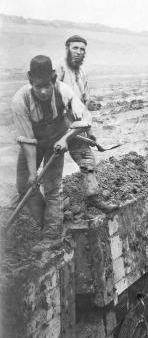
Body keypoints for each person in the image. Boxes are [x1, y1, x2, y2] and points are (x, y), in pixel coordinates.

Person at [12, 56, 90, 252]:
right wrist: (32, 173)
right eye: (38, 86)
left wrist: (65, 139)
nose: (43, 91)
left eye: (47, 85)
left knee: (52, 187)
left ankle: (52, 236)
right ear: (30, 80)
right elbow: (27, 140)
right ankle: (47, 224)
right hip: (34, 142)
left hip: (57, 141)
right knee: (24, 185)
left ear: (54, 79)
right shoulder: (20, 100)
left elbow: (85, 120)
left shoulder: (64, 91)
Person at [56, 37, 117, 214]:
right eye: (75, 48)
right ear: (67, 48)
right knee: (53, 165)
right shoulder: (59, 69)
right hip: (58, 127)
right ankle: (55, 203)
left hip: (77, 127)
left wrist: (88, 131)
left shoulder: (82, 72)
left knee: (88, 162)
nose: (78, 52)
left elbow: (84, 103)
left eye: (82, 49)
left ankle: (93, 197)